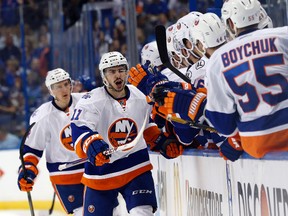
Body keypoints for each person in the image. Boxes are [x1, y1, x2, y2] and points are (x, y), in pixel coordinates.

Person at [71, 51, 183, 215]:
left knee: (142, 212)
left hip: (136, 167)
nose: (118, 75)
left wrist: (160, 141)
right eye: (112, 71)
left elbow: (146, 126)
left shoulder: (139, 95)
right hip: (101, 173)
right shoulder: (92, 100)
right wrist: (91, 144)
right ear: (104, 76)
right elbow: (80, 127)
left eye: (121, 70)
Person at [204, 0, 288, 159]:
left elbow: (223, 123)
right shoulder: (284, 35)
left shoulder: (217, 60)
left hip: (257, 142)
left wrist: (235, 139)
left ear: (230, 22)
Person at [17, 68, 85, 215]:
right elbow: (32, 150)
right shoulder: (42, 116)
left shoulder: (86, 102)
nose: (64, 89)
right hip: (65, 177)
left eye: (66, 84)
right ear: (50, 91)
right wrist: (27, 171)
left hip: (93, 170)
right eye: (58, 86)